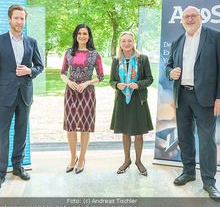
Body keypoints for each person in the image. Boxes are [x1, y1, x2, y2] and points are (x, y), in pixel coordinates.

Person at [165, 6, 220, 201]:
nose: (190, 19)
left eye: (193, 16)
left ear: (201, 17)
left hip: (206, 98)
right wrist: (170, 72)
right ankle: (188, 172)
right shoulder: (177, 41)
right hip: (182, 96)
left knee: (207, 140)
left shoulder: (215, 36)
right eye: (186, 17)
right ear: (182, 20)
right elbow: (168, 65)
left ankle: (209, 182)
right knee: (184, 137)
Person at [0, 4, 44, 191]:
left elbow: (40, 66)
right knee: (2, 135)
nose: (19, 22)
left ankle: (18, 167)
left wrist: (30, 71)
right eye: (16, 18)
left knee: (21, 132)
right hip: (4, 96)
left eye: (22, 19)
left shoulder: (31, 42)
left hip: (25, 95)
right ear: (9, 19)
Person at [60, 23, 104, 174]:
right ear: (75, 35)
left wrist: (87, 83)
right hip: (71, 92)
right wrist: (69, 82)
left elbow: (101, 77)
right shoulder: (69, 52)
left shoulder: (95, 54)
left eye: (85, 33)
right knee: (71, 126)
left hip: (87, 93)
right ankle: (72, 157)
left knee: (85, 126)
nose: (82, 36)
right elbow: (62, 73)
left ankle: (82, 158)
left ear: (89, 36)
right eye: (79, 33)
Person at [109, 32, 153, 176]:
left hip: (138, 99)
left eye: (129, 41)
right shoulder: (116, 61)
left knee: (139, 134)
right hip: (122, 99)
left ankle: (138, 161)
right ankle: (126, 160)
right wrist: (117, 85)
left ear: (133, 42)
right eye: (123, 41)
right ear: (120, 43)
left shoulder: (143, 59)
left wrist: (138, 84)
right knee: (125, 132)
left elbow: (149, 79)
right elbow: (111, 81)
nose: (126, 43)